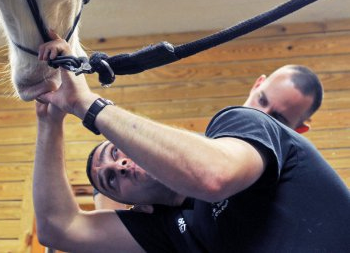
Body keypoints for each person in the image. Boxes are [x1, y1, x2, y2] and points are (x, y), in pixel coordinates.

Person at [33, 33, 350, 253]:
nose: (120, 165)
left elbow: (213, 176)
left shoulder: (246, 123)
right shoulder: (168, 230)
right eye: (111, 178)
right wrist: (49, 121)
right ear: (137, 206)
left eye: (116, 151)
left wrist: (89, 104)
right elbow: (59, 228)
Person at [92, 63, 323, 210]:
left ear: (298, 130)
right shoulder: (195, 151)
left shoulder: (287, 182)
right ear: (257, 84)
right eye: (261, 101)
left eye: (278, 120)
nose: (261, 117)